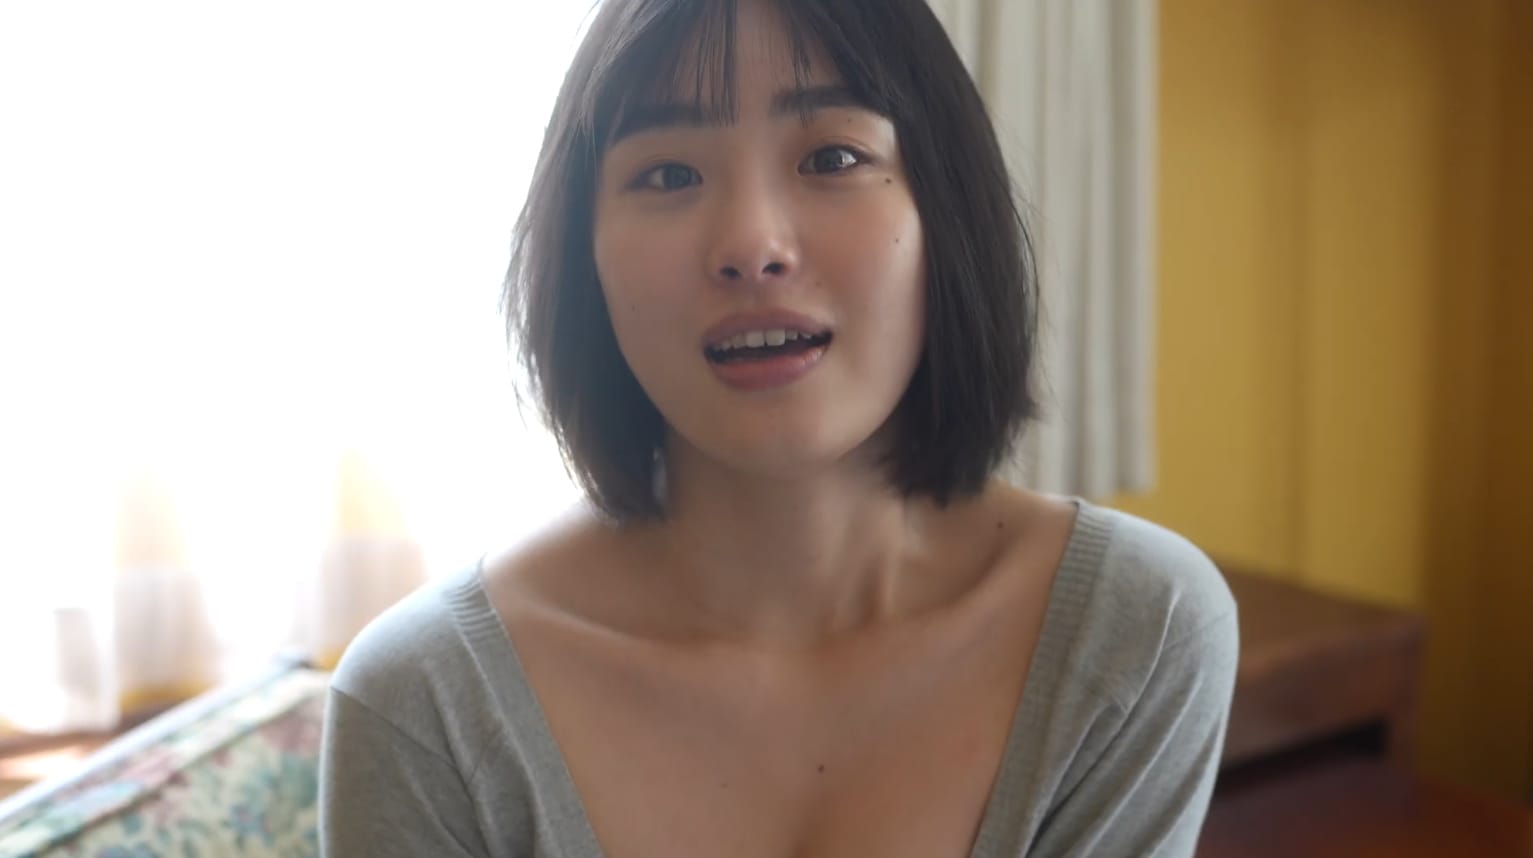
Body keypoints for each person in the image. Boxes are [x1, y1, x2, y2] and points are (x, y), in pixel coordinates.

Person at [318, 0, 1239, 855]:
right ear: (583, 259)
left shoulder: (1129, 633)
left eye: (832, 158)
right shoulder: (426, 704)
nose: (752, 246)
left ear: (945, 211)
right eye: (668, 174)